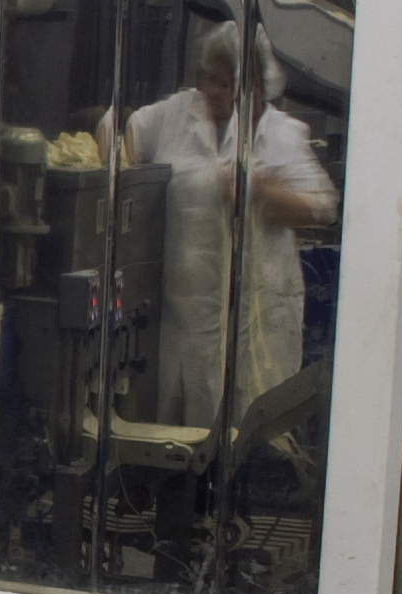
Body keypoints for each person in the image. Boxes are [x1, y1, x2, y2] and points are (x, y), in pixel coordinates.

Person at [123, 22, 336, 429]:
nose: (213, 92)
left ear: (255, 86)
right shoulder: (178, 113)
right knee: (180, 430)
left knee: (249, 428)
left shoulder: (281, 134)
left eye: (226, 82)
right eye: (208, 79)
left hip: (256, 317)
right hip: (184, 318)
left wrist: (260, 191)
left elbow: (322, 208)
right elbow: (125, 131)